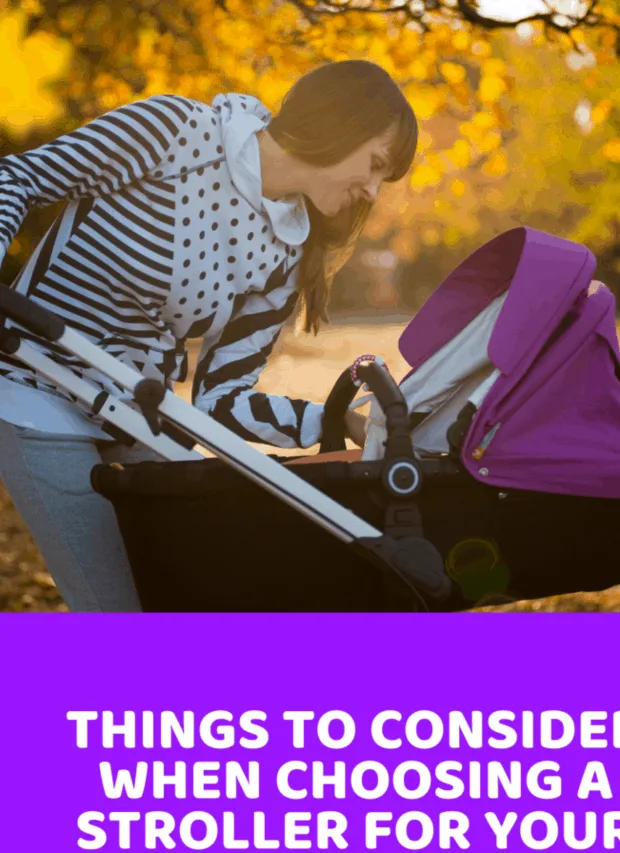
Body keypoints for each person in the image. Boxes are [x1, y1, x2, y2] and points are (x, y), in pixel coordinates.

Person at [0, 60, 418, 611]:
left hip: (133, 413)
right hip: (36, 384)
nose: (370, 190)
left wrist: (334, 418)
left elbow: (222, 401)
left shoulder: (287, 253)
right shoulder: (175, 132)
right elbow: (19, 178)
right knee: (119, 612)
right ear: (341, 123)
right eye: (375, 165)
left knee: (188, 597)